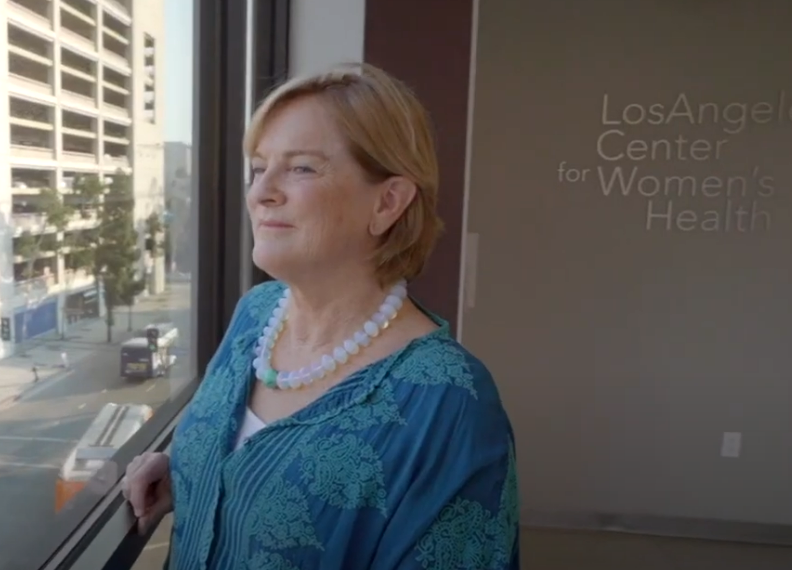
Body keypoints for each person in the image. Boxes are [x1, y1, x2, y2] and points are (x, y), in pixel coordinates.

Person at [122, 62, 520, 570]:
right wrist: (188, 471)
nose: (261, 191)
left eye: (302, 167)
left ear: (388, 202)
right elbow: (257, 467)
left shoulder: (451, 402)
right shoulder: (256, 313)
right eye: (258, 167)